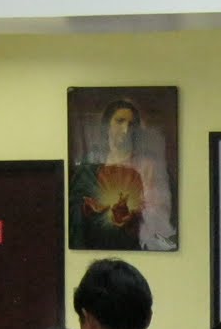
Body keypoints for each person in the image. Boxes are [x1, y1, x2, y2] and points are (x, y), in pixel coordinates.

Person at [68, 98, 176, 252]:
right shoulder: (91, 167)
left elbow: (159, 211)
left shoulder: (147, 166)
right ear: (107, 125)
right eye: (119, 121)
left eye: (131, 124)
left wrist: (131, 215)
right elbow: (75, 210)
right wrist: (89, 209)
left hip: (135, 245)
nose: (126, 129)